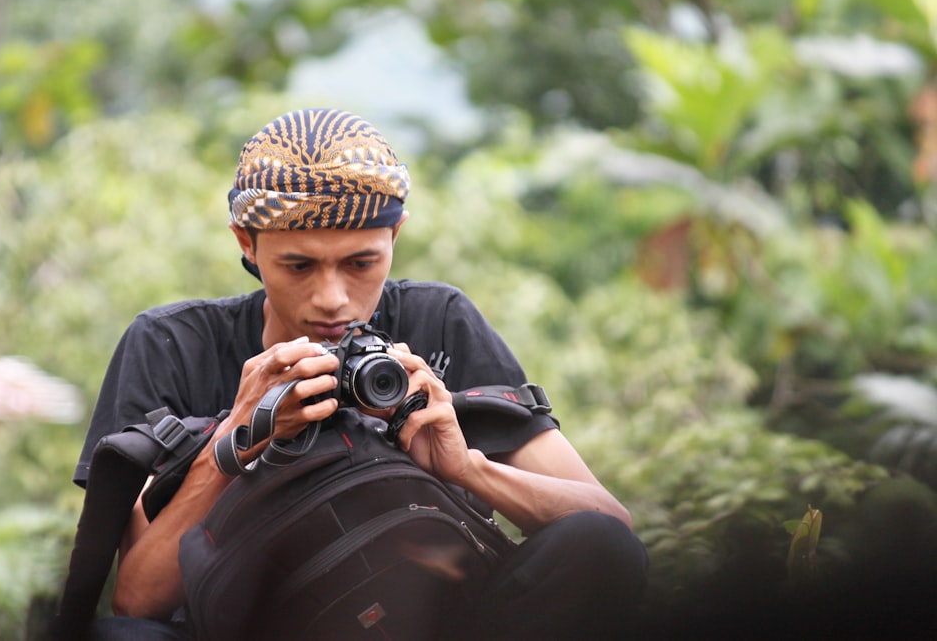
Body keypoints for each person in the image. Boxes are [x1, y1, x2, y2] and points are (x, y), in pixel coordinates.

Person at [74, 107, 648, 640]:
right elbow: (138, 599)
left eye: (361, 263)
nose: (332, 299)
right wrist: (233, 440)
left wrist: (467, 467)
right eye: (299, 265)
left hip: (439, 617)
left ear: (394, 239)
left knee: (596, 546)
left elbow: (610, 525)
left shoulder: (438, 319)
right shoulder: (170, 344)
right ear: (247, 244)